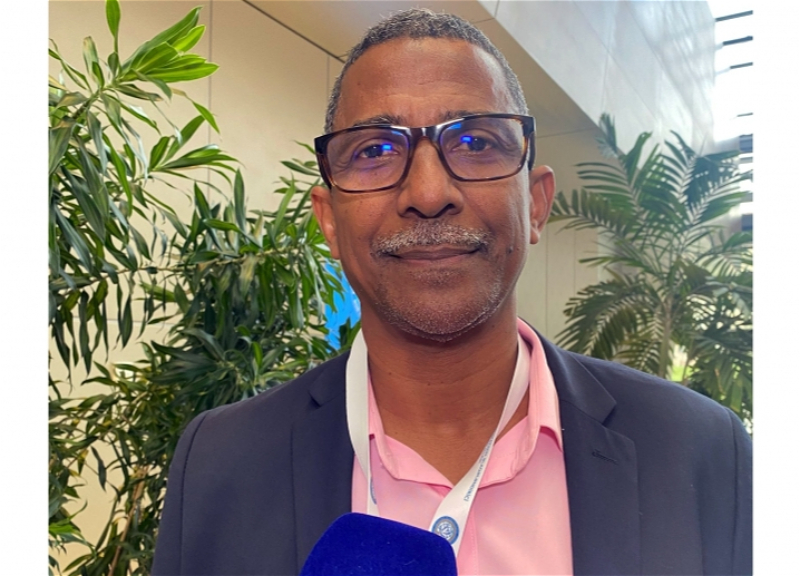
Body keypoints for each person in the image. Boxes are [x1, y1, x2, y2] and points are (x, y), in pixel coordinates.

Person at [152, 9, 752, 576]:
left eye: (475, 143)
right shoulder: (221, 460)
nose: (429, 192)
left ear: (536, 204)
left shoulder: (700, 451)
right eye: (375, 150)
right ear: (328, 220)